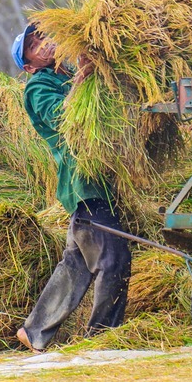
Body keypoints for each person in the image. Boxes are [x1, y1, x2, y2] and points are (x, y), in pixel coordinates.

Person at [11, 22, 131, 351]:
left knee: (76, 265)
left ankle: (34, 331)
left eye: (44, 37)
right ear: (29, 65)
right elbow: (65, 119)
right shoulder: (37, 87)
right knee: (112, 259)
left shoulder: (68, 74)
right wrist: (81, 80)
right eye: (35, 46)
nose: (45, 45)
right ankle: (103, 339)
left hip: (98, 181)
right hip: (83, 183)